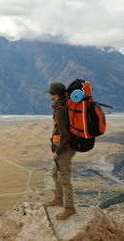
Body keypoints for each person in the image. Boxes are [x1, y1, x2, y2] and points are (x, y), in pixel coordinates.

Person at [43, 82, 77, 220]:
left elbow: (63, 134)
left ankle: (69, 208)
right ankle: (58, 198)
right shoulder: (64, 104)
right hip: (65, 147)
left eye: (51, 93)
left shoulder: (60, 110)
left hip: (65, 148)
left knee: (65, 179)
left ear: (55, 94)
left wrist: (57, 150)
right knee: (53, 172)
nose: (50, 96)